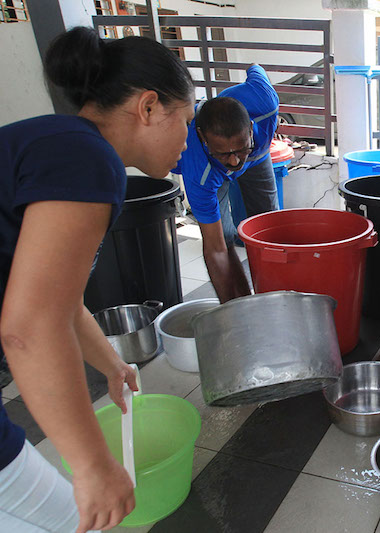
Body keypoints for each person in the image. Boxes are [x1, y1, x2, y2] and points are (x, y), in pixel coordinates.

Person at [0, 27, 194, 532]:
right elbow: (30, 327)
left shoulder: (61, 142)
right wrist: (91, 466)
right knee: (76, 521)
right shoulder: (89, 161)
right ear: (149, 107)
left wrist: (110, 362)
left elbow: (58, 303)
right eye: (186, 120)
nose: (186, 141)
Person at [172, 64, 280, 303]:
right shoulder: (198, 168)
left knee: (270, 228)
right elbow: (215, 249)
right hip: (211, 171)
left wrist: (243, 152)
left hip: (258, 156)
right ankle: (240, 303)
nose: (234, 161)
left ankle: (275, 298)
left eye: (240, 149)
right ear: (203, 138)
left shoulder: (264, 102)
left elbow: (255, 68)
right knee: (225, 237)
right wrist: (232, 312)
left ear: (251, 128)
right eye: (224, 153)